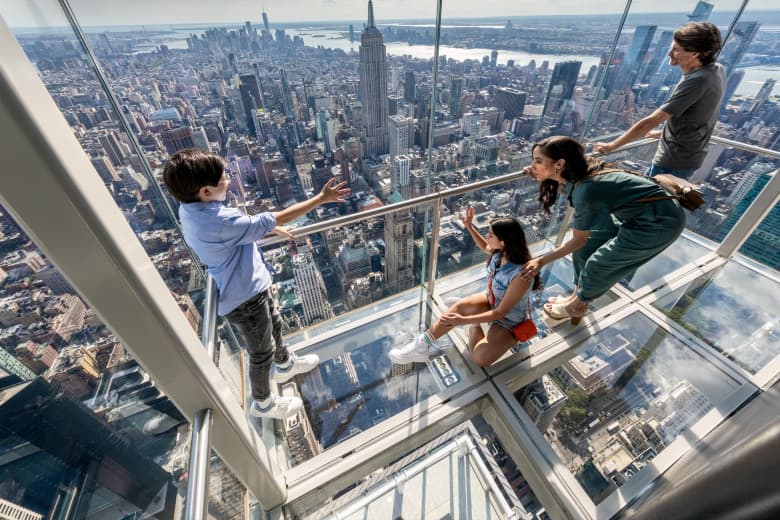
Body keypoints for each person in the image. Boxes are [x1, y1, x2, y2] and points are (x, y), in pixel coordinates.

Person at [163, 149, 349, 419]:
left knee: (275, 325)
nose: (228, 179)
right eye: (223, 177)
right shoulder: (218, 221)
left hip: (250, 288)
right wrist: (322, 198)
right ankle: (264, 404)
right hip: (244, 298)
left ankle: (284, 364)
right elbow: (275, 217)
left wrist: (265, 229)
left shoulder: (190, 209)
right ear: (205, 190)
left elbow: (240, 229)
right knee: (261, 353)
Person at [522, 136, 685, 324]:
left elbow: (577, 240)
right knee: (585, 249)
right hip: (645, 213)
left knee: (598, 264)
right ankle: (577, 296)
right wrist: (540, 173)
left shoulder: (586, 190)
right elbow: (581, 242)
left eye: (538, 161)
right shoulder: (581, 174)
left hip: (660, 223)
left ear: (559, 164)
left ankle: (578, 304)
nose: (532, 165)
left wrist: (539, 262)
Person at [389, 208, 540, 367]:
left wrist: (464, 320)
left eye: (490, 234)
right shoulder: (500, 253)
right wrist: (468, 226)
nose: (487, 236)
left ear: (503, 241)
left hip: (508, 321)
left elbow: (500, 312)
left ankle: (478, 324)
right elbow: (486, 248)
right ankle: (421, 345)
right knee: (459, 307)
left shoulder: (520, 276)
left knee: (479, 359)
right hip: (491, 301)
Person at [594, 22, 725, 179]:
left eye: (676, 49)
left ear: (695, 54)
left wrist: (611, 146)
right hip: (687, 156)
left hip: (673, 161)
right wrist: (665, 133)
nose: (670, 53)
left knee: (648, 201)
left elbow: (649, 122)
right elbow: (699, 112)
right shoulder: (716, 69)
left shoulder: (698, 80)